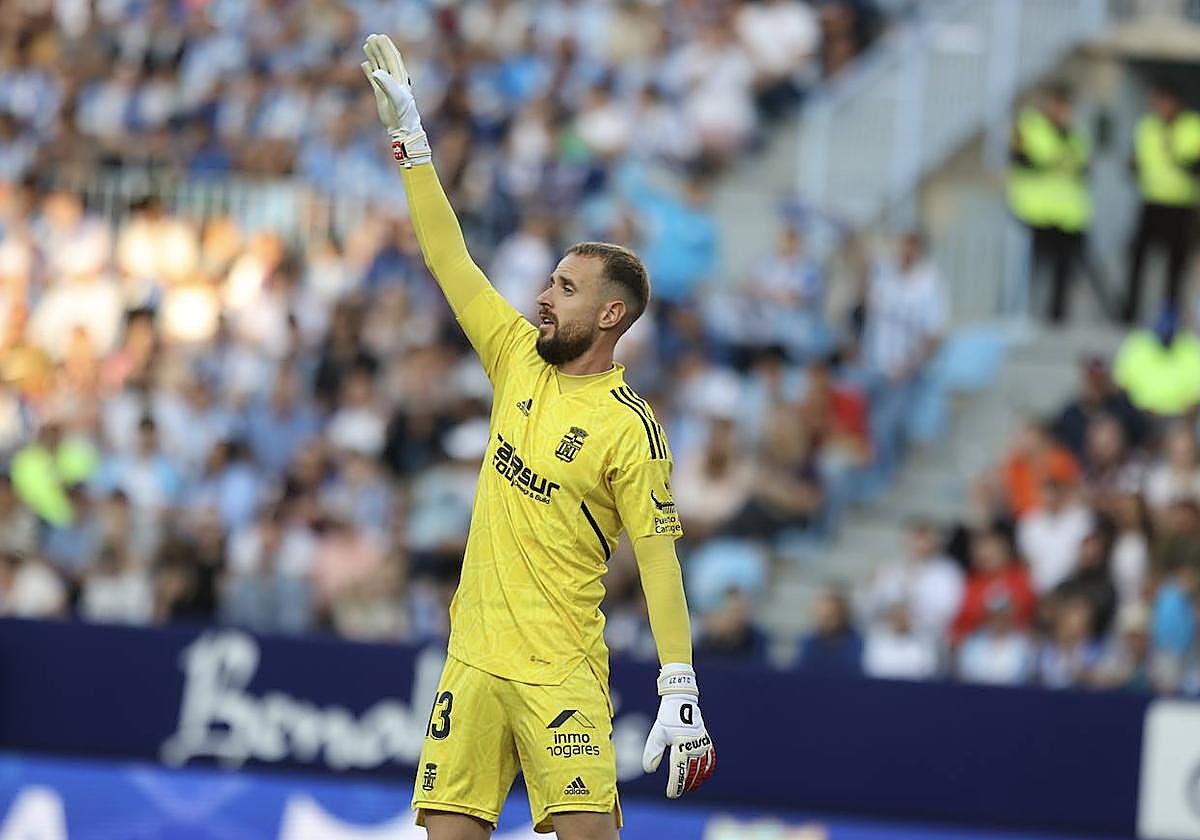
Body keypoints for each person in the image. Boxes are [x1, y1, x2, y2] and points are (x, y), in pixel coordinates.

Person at [362, 34, 714, 840]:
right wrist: (412, 141)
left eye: (564, 286)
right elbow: (449, 257)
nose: (542, 296)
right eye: (549, 280)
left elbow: (658, 559)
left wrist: (678, 681)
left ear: (611, 315)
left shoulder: (632, 429)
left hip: (564, 672)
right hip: (474, 660)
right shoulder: (516, 355)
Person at [1007, 84, 1091, 323]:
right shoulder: (1029, 126)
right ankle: (1020, 315)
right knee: (1031, 269)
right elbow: (1020, 159)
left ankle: (1055, 319)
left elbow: (1082, 168)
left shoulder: (1076, 133)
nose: (1062, 112)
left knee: (1062, 272)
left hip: (1068, 214)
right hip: (1034, 211)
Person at [1123, 83, 1200, 325]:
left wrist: (1175, 154)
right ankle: (1129, 312)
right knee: (1137, 257)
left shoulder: (1192, 126)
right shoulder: (1147, 126)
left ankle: (1170, 315)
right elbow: (1138, 159)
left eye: (1163, 102)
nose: (1159, 108)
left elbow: (1195, 166)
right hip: (1151, 201)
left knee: (1175, 266)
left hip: (1181, 204)